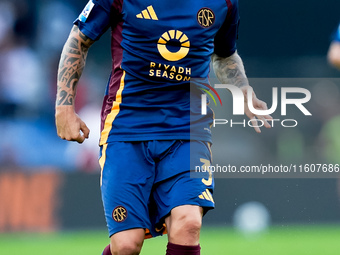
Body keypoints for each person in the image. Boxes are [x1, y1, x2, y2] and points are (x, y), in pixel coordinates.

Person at [55, 0, 272, 254]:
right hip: (126, 127)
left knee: (188, 223)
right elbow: (79, 39)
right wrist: (63, 107)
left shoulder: (223, 3)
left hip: (188, 129)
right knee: (126, 245)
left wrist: (242, 88)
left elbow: (224, 54)